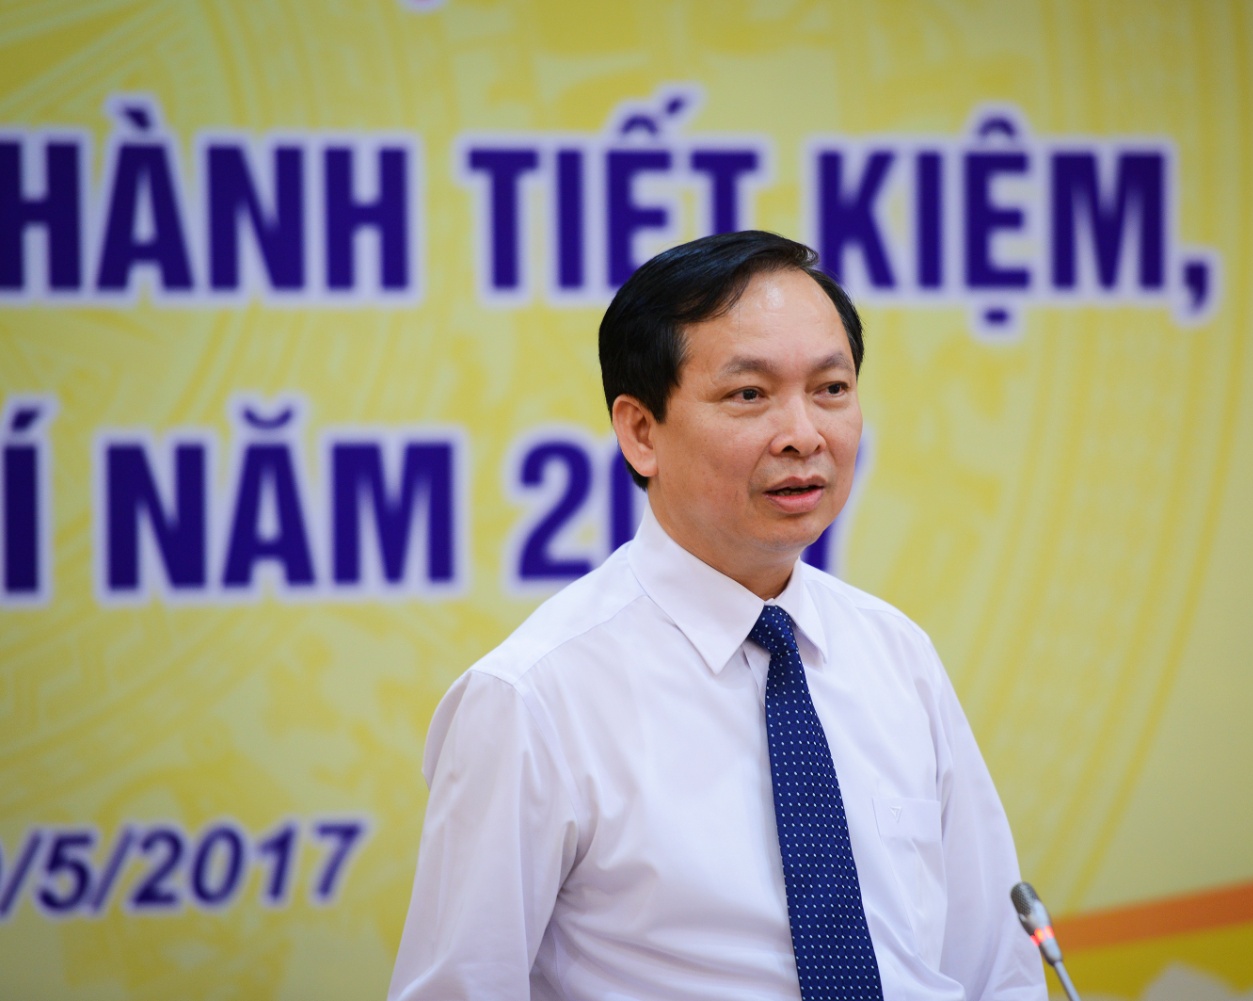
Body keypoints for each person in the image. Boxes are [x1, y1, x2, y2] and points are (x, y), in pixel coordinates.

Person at [388, 231, 1045, 1000]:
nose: (803, 434)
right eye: (749, 395)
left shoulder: (896, 654)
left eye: (831, 388)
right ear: (641, 432)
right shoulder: (533, 697)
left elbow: (995, 968)